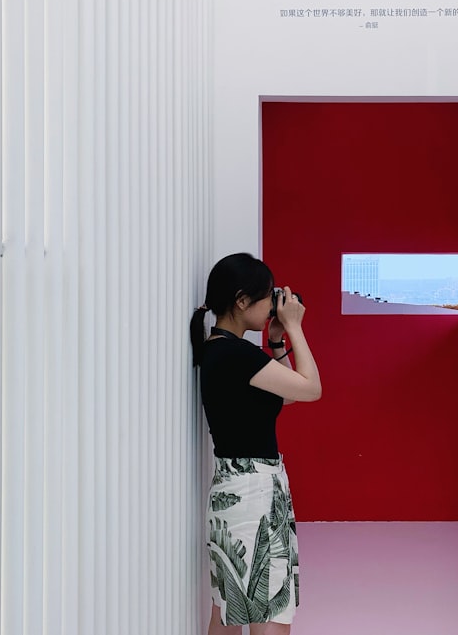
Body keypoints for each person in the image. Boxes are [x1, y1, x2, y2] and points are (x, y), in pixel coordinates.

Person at [191, 252, 322, 635]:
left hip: (239, 490)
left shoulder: (222, 351)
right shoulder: (235, 355)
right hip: (253, 494)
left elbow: (288, 395)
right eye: (267, 298)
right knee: (271, 615)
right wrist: (296, 327)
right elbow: (311, 388)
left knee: (229, 613)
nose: (272, 308)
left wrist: (277, 341)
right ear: (242, 301)